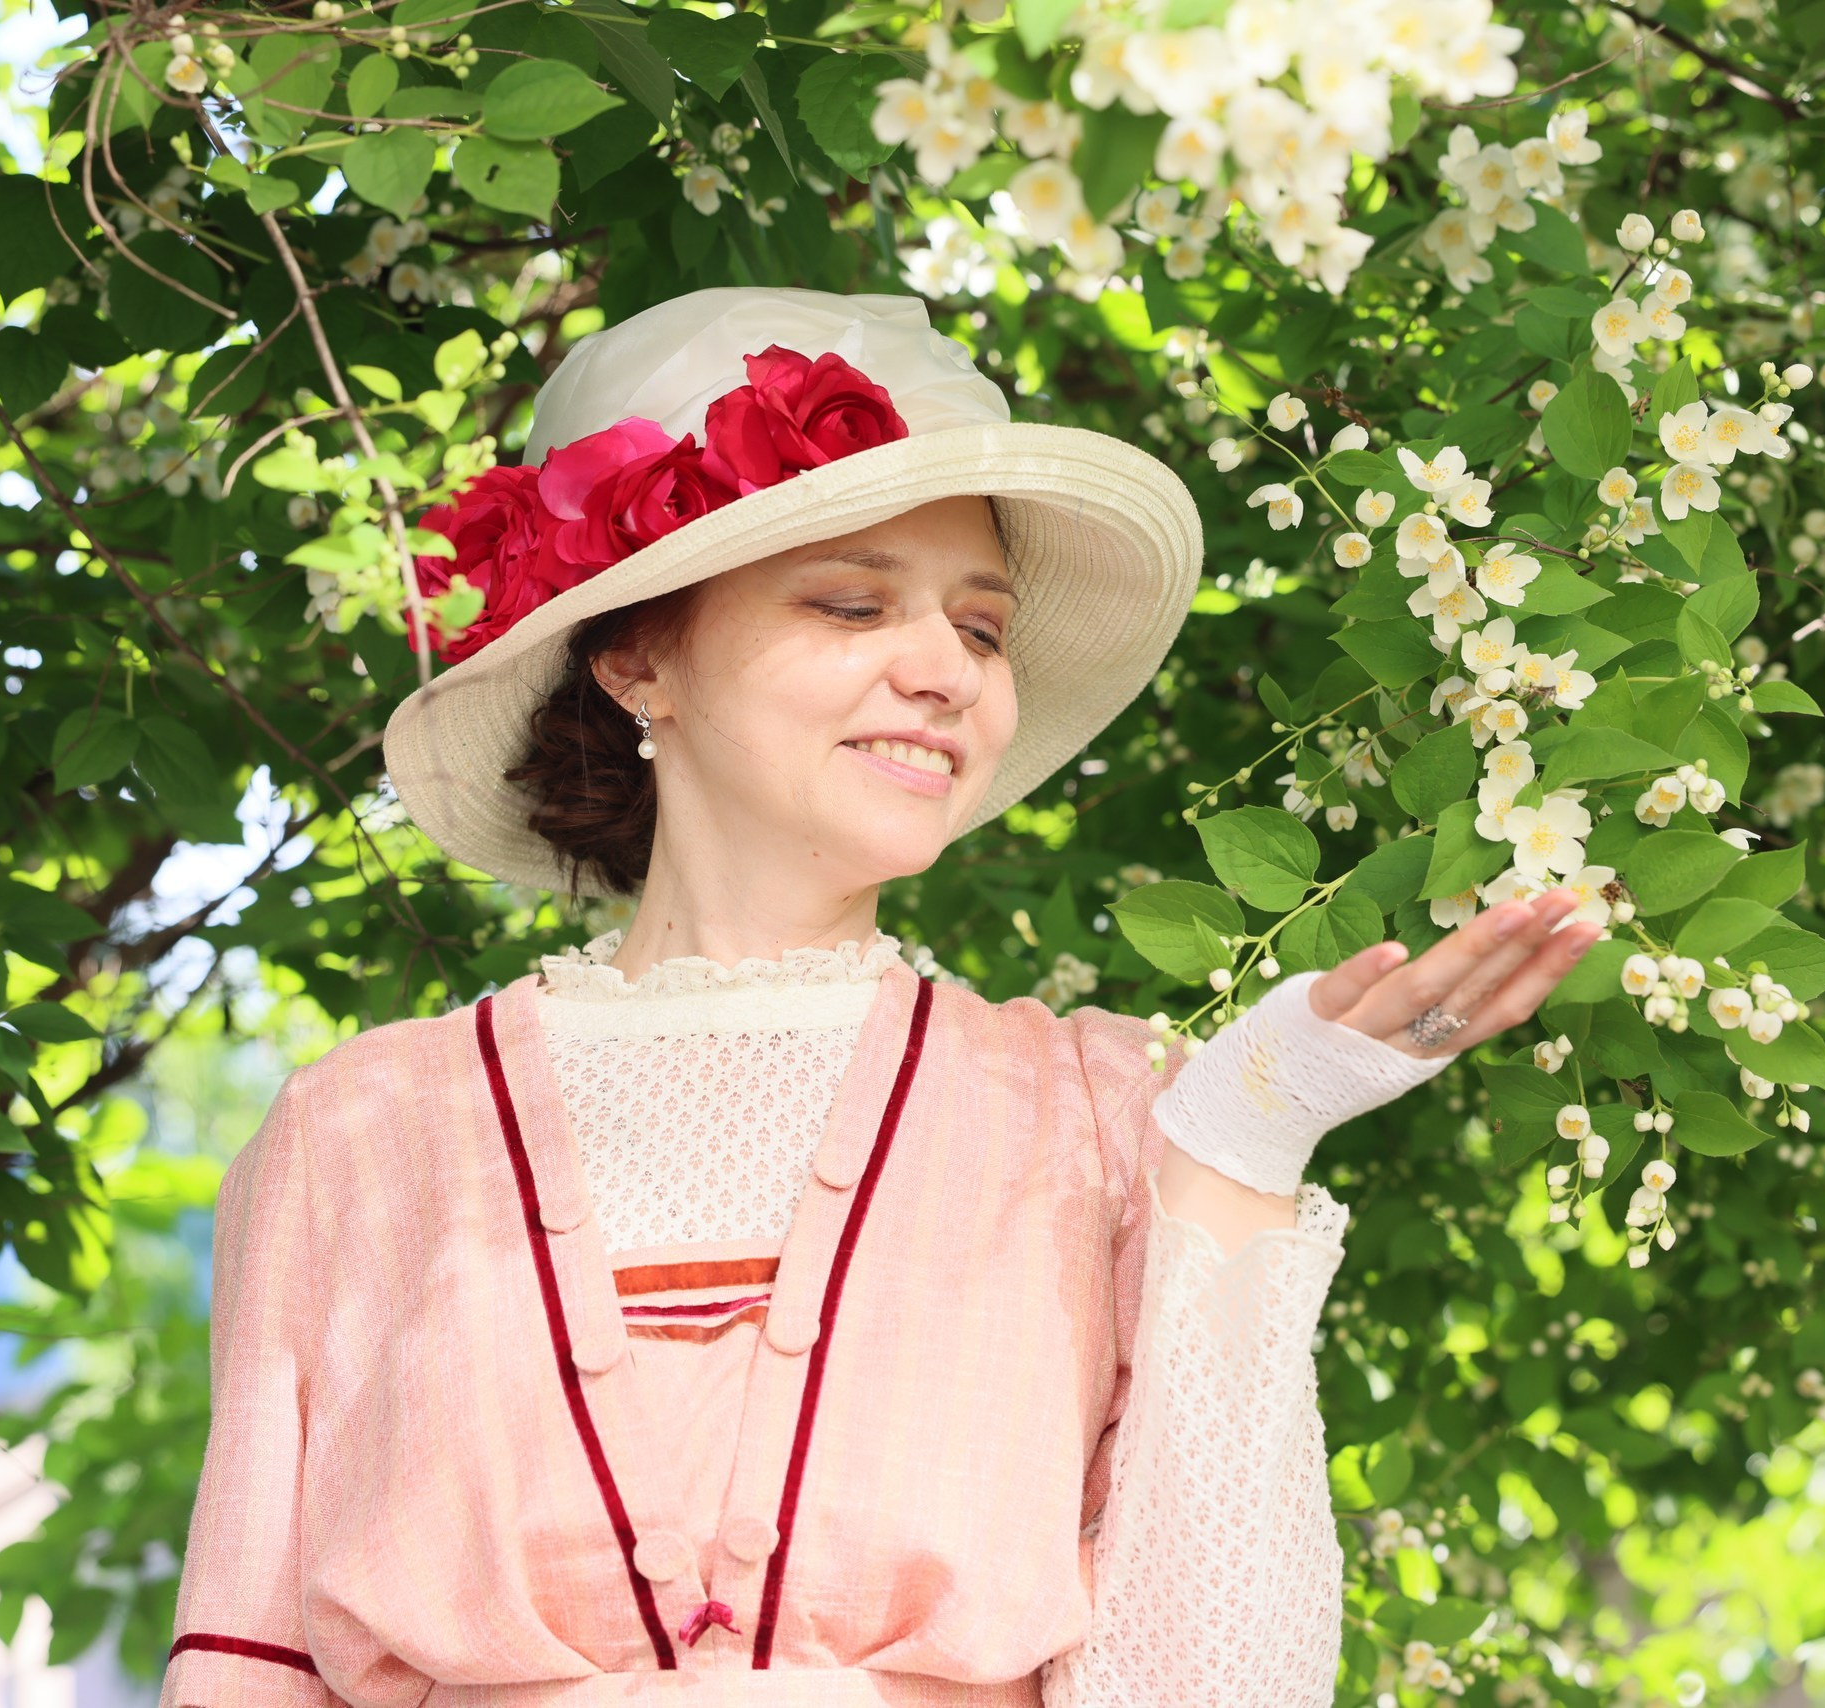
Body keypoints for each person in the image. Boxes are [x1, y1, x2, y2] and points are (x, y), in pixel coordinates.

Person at [159, 287, 1598, 1707]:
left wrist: (1243, 1145)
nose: (945, 674)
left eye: (982, 631)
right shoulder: (354, 1139)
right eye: (853, 603)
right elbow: (248, 1666)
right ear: (638, 656)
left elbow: (1218, 1682)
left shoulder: (1101, 1111)